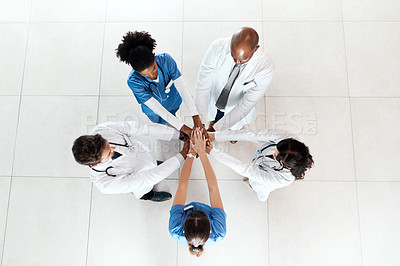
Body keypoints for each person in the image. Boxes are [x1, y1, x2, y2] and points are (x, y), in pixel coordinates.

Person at [72, 120, 190, 202]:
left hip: (145, 156)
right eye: (108, 153)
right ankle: (151, 196)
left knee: (153, 163)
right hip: (143, 181)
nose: (113, 148)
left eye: (107, 143)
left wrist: (180, 135)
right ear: (95, 164)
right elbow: (148, 178)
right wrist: (183, 154)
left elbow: (142, 128)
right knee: (145, 191)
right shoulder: (105, 184)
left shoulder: (102, 129)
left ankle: (155, 164)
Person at [116, 30, 204, 137]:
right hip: (153, 110)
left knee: (173, 114)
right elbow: (157, 109)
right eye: (145, 75)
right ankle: (179, 136)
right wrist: (186, 130)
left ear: (154, 56)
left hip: (171, 99)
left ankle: (179, 131)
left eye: (154, 69)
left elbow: (182, 88)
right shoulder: (133, 81)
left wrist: (196, 118)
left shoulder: (166, 60)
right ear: (136, 71)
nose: (152, 76)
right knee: (162, 125)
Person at [195, 27, 274, 132]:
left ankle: (234, 130)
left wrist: (214, 131)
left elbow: (246, 105)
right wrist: (200, 123)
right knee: (213, 116)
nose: (237, 62)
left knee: (235, 126)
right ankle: (214, 121)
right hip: (215, 98)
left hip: (237, 107)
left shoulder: (265, 67)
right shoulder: (217, 47)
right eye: (233, 57)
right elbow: (202, 85)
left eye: (243, 60)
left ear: (255, 49)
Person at [207, 129, 314, 201]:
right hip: (260, 160)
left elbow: (245, 169)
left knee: (258, 187)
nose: (272, 149)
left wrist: (212, 151)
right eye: (276, 147)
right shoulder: (289, 139)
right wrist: (215, 135)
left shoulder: (282, 179)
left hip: (264, 182)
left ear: (283, 164)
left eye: (275, 153)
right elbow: (253, 135)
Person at [169, 128, 226, 257]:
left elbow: (182, 186)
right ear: (211, 228)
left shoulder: (175, 228)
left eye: (192, 214)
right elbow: (213, 188)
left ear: (183, 228)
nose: (196, 209)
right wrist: (202, 154)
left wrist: (191, 153)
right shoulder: (219, 232)